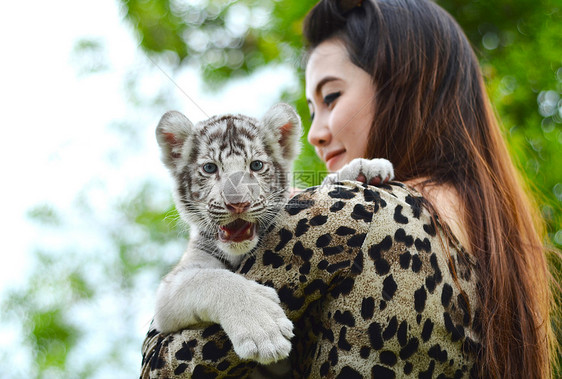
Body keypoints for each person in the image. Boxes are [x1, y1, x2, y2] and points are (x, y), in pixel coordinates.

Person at [140, 0, 557, 377]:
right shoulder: (498, 247)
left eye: (332, 96)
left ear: (404, 85)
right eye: (311, 109)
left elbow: (164, 369)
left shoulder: (345, 216)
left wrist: (339, 196)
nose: (315, 134)